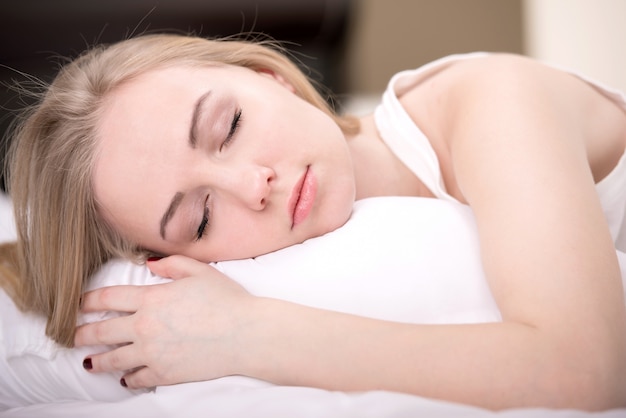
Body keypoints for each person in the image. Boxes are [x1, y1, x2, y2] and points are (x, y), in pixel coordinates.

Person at [2, 33, 625, 411]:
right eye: (200, 218)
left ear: (269, 78)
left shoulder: (492, 99)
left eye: (231, 128)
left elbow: (585, 369)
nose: (253, 185)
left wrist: (248, 334)